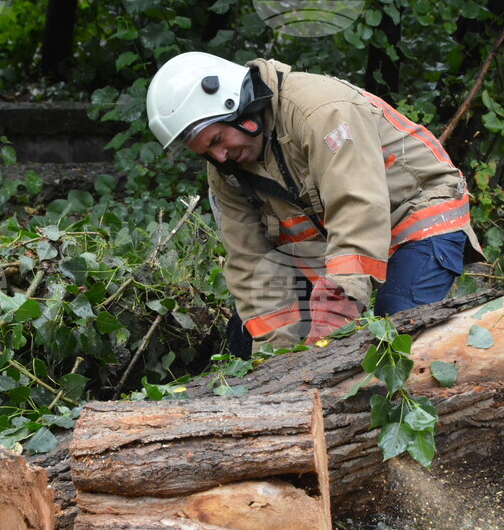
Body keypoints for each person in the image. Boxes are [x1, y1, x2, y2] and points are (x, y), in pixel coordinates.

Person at [146, 52, 481, 356]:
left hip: (415, 218)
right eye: (206, 153)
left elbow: (357, 205)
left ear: (241, 108)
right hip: (334, 243)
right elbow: (250, 260)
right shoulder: (226, 170)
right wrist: (274, 357)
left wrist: (341, 296)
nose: (219, 157)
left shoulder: (320, 110)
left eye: (218, 140)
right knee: (245, 338)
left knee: (396, 328)